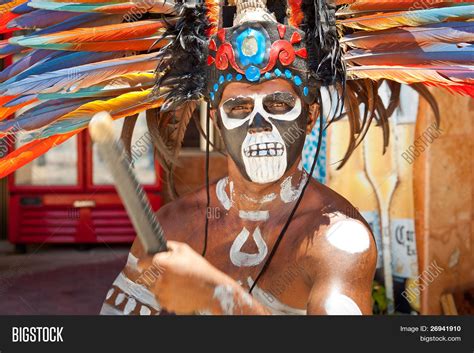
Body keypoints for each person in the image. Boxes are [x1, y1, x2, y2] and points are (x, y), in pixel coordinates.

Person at [100, 0, 377, 315]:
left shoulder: (338, 239)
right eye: (239, 108)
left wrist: (220, 298)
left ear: (310, 116)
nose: (258, 125)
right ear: (217, 120)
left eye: (278, 105)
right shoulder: (173, 226)